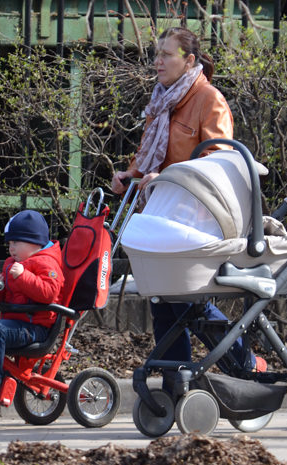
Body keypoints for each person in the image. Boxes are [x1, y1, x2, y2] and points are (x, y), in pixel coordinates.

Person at [111, 27, 266, 375]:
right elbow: (149, 156)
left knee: (186, 303)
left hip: (192, 219)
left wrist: (165, 178)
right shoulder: (162, 99)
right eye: (157, 54)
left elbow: (218, 163)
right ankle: (174, 384)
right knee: (163, 304)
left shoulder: (209, 100)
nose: (158, 61)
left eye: (167, 54)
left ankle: (243, 364)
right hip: (161, 213)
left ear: (190, 60)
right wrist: (130, 175)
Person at [0, 210, 65, 401]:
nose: (11, 248)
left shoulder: (47, 262)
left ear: (34, 242)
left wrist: (23, 276)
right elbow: (3, 295)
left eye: (16, 243)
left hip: (36, 328)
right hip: (18, 325)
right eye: (10, 243)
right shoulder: (13, 263)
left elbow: (48, 293)